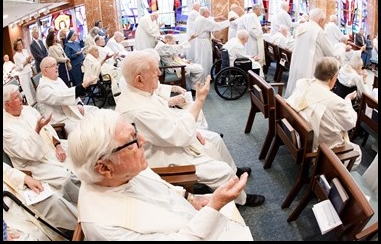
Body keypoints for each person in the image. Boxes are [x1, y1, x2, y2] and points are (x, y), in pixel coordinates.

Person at [67, 108, 254, 241]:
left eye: (135, 132)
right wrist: (214, 207)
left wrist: (190, 198)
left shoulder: (119, 173)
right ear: (104, 168)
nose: (143, 140)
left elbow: (162, 189)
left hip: (189, 215)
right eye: (132, 140)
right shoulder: (107, 227)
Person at [115, 50, 265, 207]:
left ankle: (234, 171)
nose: (160, 73)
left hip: (169, 139)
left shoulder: (140, 91)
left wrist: (193, 129)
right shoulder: (135, 110)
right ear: (139, 79)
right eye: (155, 71)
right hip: (162, 154)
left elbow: (166, 118)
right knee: (222, 171)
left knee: (215, 139)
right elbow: (178, 135)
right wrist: (199, 101)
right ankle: (241, 198)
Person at [3, 84, 81, 207]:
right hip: (34, 164)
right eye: (17, 97)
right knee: (65, 178)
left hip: (51, 149)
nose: (21, 98)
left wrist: (57, 145)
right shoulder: (5, 128)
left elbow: (48, 128)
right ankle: (83, 203)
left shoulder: (28, 110)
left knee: (79, 147)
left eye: (20, 95)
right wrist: (37, 129)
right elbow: (27, 152)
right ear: (7, 104)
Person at [286, 56, 362, 169]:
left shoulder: (302, 83)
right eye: (336, 77)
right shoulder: (336, 102)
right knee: (357, 153)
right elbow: (350, 123)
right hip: (319, 150)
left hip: (296, 134)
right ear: (332, 78)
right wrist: (347, 101)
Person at [3, 162, 78, 240]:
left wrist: (25, 178)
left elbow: (6, 170)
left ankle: (83, 228)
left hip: (15, 193)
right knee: (28, 236)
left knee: (52, 200)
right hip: (8, 223)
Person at [36, 56, 98, 135]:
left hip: (72, 110)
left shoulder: (57, 79)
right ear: (45, 70)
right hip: (61, 120)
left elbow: (68, 92)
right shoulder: (43, 88)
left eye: (56, 65)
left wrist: (79, 104)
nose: (56, 67)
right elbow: (61, 97)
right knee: (87, 130)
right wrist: (82, 86)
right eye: (53, 65)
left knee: (95, 111)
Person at [284, 8, 338, 98]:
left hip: (297, 65)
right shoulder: (319, 32)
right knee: (307, 96)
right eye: (324, 21)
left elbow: (290, 43)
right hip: (310, 69)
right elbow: (331, 54)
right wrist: (341, 53)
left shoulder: (301, 27)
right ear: (321, 20)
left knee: (295, 91)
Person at [193, 6, 231, 78]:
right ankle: (205, 77)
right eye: (208, 12)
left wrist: (213, 38)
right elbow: (216, 26)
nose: (209, 13)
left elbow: (209, 24)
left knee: (201, 59)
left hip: (200, 42)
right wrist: (229, 21)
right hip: (204, 43)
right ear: (204, 13)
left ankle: (204, 76)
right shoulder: (203, 20)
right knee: (205, 59)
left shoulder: (199, 18)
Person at [236, 4, 265, 68]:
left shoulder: (253, 16)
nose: (261, 11)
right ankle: (255, 74)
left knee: (254, 57)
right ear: (256, 9)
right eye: (260, 9)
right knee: (253, 56)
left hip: (253, 40)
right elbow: (251, 29)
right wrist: (259, 35)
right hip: (252, 41)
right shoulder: (252, 16)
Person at [12, 38, 36, 106]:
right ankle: (33, 106)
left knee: (33, 89)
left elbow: (29, 61)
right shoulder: (16, 56)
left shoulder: (25, 51)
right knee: (28, 92)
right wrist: (26, 62)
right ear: (16, 47)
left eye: (21, 43)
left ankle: (37, 103)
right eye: (18, 44)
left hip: (29, 72)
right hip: (23, 75)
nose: (20, 45)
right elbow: (18, 68)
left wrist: (30, 60)